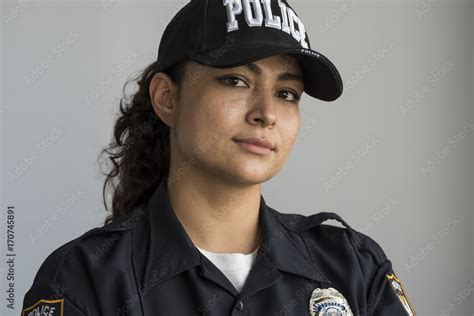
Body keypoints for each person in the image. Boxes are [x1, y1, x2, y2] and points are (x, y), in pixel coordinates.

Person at [21, 0, 416, 315]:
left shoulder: (354, 267)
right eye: (236, 81)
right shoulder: (84, 279)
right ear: (167, 98)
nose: (267, 113)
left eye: (287, 93)